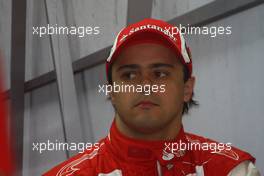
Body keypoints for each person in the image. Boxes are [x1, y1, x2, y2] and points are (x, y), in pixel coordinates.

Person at [43, 18, 260, 176]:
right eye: (129, 75)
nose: (145, 86)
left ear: (187, 89)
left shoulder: (234, 171)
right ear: (111, 91)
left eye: (160, 74)